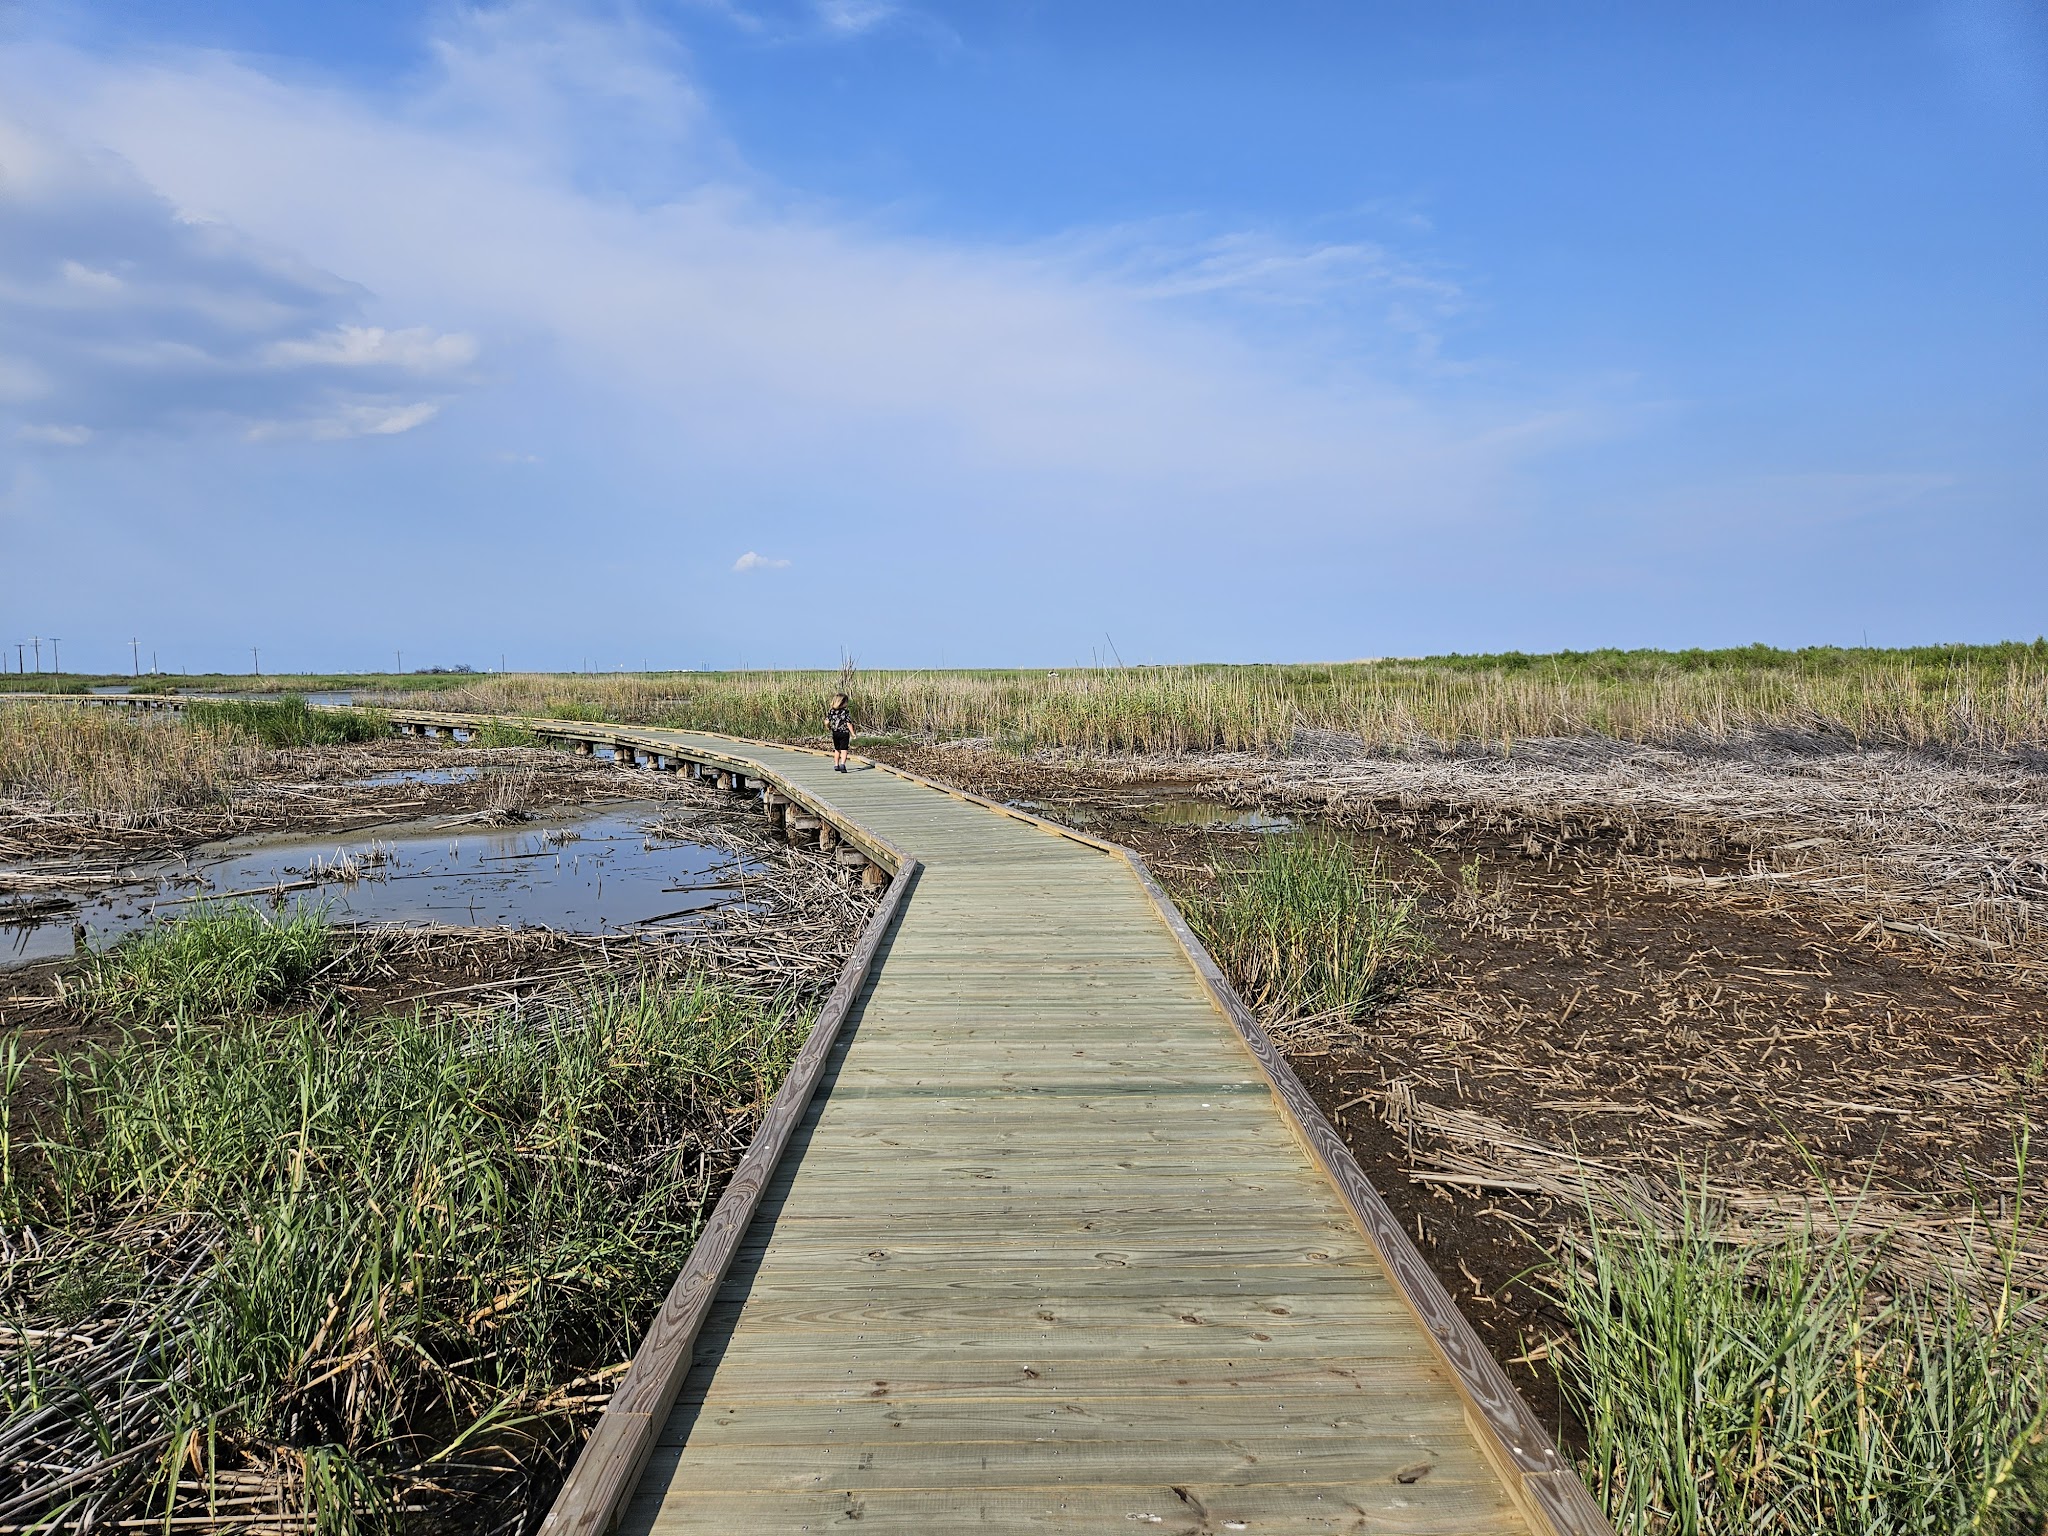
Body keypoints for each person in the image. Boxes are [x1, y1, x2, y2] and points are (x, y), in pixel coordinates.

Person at [827, 692, 852, 772]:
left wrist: (829, 727)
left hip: (835, 732)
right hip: (844, 733)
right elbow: (848, 723)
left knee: (837, 749)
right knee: (844, 749)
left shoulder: (832, 711)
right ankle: (842, 764)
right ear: (842, 702)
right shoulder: (845, 712)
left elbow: (826, 721)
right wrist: (853, 733)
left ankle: (836, 765)